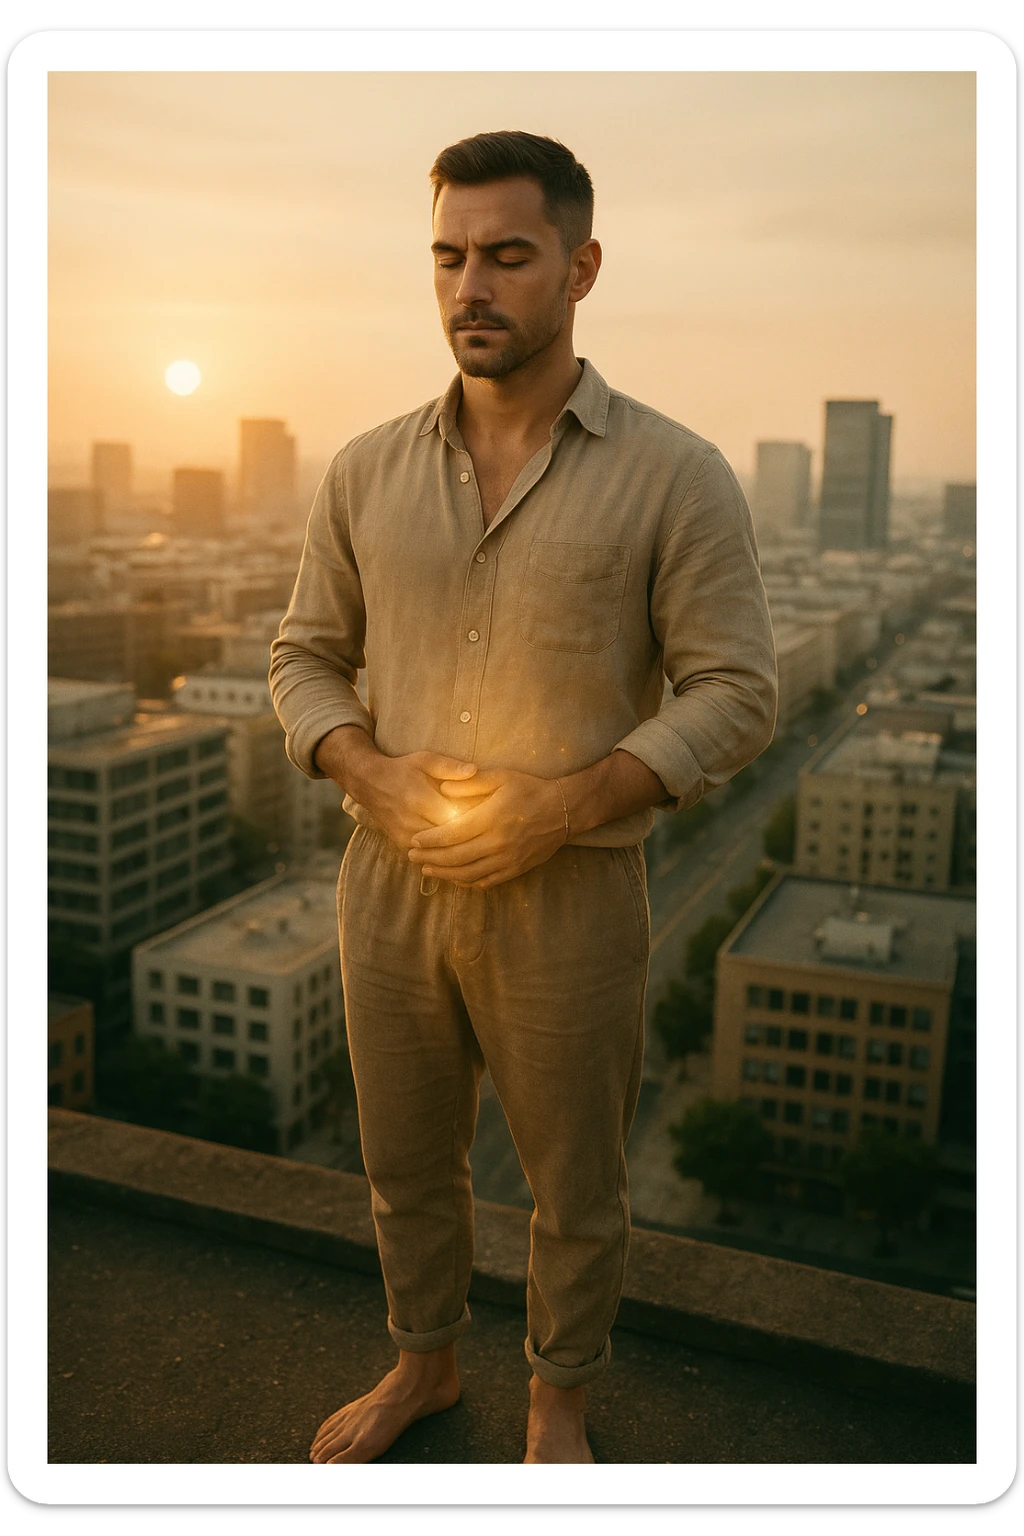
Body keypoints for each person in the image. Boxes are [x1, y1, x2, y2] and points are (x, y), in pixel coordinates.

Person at [269, 130, 777, 1464]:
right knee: (406, 1163)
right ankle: (424, 1367)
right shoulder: (364, 472)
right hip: (387, 885)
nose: (469, 287)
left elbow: (737, 691)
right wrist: (368, 770)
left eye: (506, 255)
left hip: (571, 892)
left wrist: (560, 806)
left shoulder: (675, 474)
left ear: (581, 267)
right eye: (447, 257)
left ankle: (558, 1400)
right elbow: (301, 659)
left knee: (574, 1186)